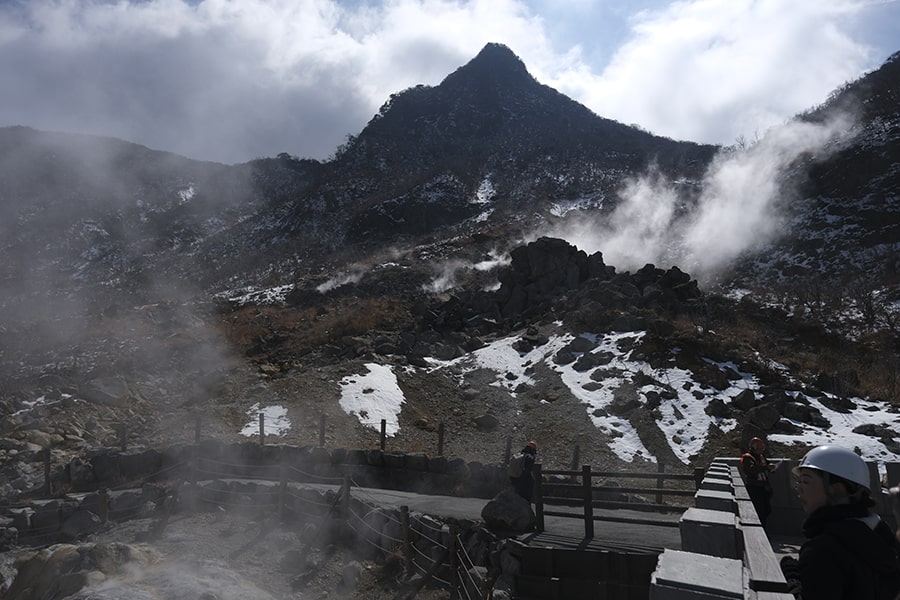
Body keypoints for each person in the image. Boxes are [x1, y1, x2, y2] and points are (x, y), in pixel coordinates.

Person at [780, 445, 900, 600]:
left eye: (805, 481)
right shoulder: (881, 534)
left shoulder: (822, 550)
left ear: (836, 489)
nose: (799, 489)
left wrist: (794, 585)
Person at [739, 436, 776, 528]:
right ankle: (762, 531)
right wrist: (766, 468)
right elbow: (752, 470)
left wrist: (771, 468)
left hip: (764, 487)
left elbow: (766, 465)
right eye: (759, 449)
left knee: (767, 510)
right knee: (759, 511)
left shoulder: (761, 457)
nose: (761, 451)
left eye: (761, 449)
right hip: (754, 487)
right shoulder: (748, 458)